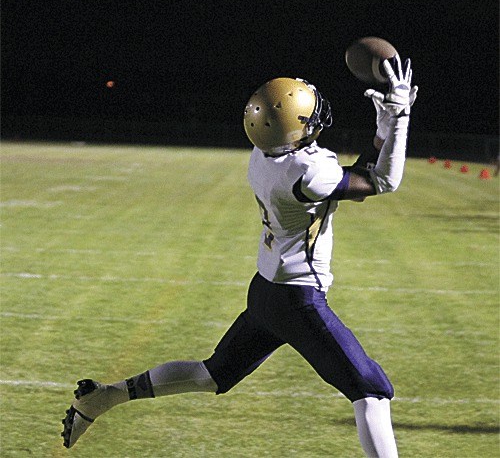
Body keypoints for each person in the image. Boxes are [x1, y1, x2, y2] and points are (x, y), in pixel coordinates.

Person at [62, 56, 417, 457]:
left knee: (212, 373)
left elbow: (355, 176)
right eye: (309, 115)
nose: (316, 120)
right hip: (298, 300)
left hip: (266, 292)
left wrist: (382, 136)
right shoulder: (307, 170)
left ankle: (105, 397)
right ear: (296, 126)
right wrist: (398, 120)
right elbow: (381, 180)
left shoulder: (265, 157)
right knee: (371, 389)